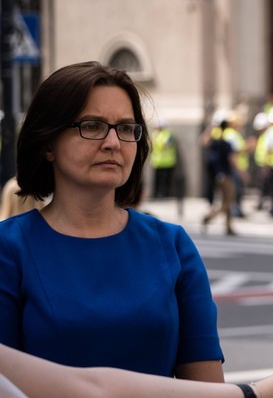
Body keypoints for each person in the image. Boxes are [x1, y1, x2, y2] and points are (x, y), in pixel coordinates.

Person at [0, 61, 224, 381]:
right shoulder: (9, 249)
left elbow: (208, 388)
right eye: (92, 126)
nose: (113, 143)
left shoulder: (172, 245)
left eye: (126, 128)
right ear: (48, 143)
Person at [0, 343, 273, 398]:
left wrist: (255, 394)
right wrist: (254, 394)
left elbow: (93, 387)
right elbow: (92, 389)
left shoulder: (170, 243)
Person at [202, 118, 237, 236]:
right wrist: (242, 173)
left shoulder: (215, 140)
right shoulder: (228, 139)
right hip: (225, 174)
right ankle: (209, 216)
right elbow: (232, 158)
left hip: (217, 174)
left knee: (226, 200)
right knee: (229, 200)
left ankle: (228, 227)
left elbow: (204, 141)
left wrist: (210, 127)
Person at [150, 118, 179, 199]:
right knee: (157, 179)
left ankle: (164, 194)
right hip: (157, 161)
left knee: (165, 180)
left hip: (167, 161)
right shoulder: (154, 134)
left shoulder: (167, 134)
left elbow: (167, 145)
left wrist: (160, 145)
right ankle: (156, 194)